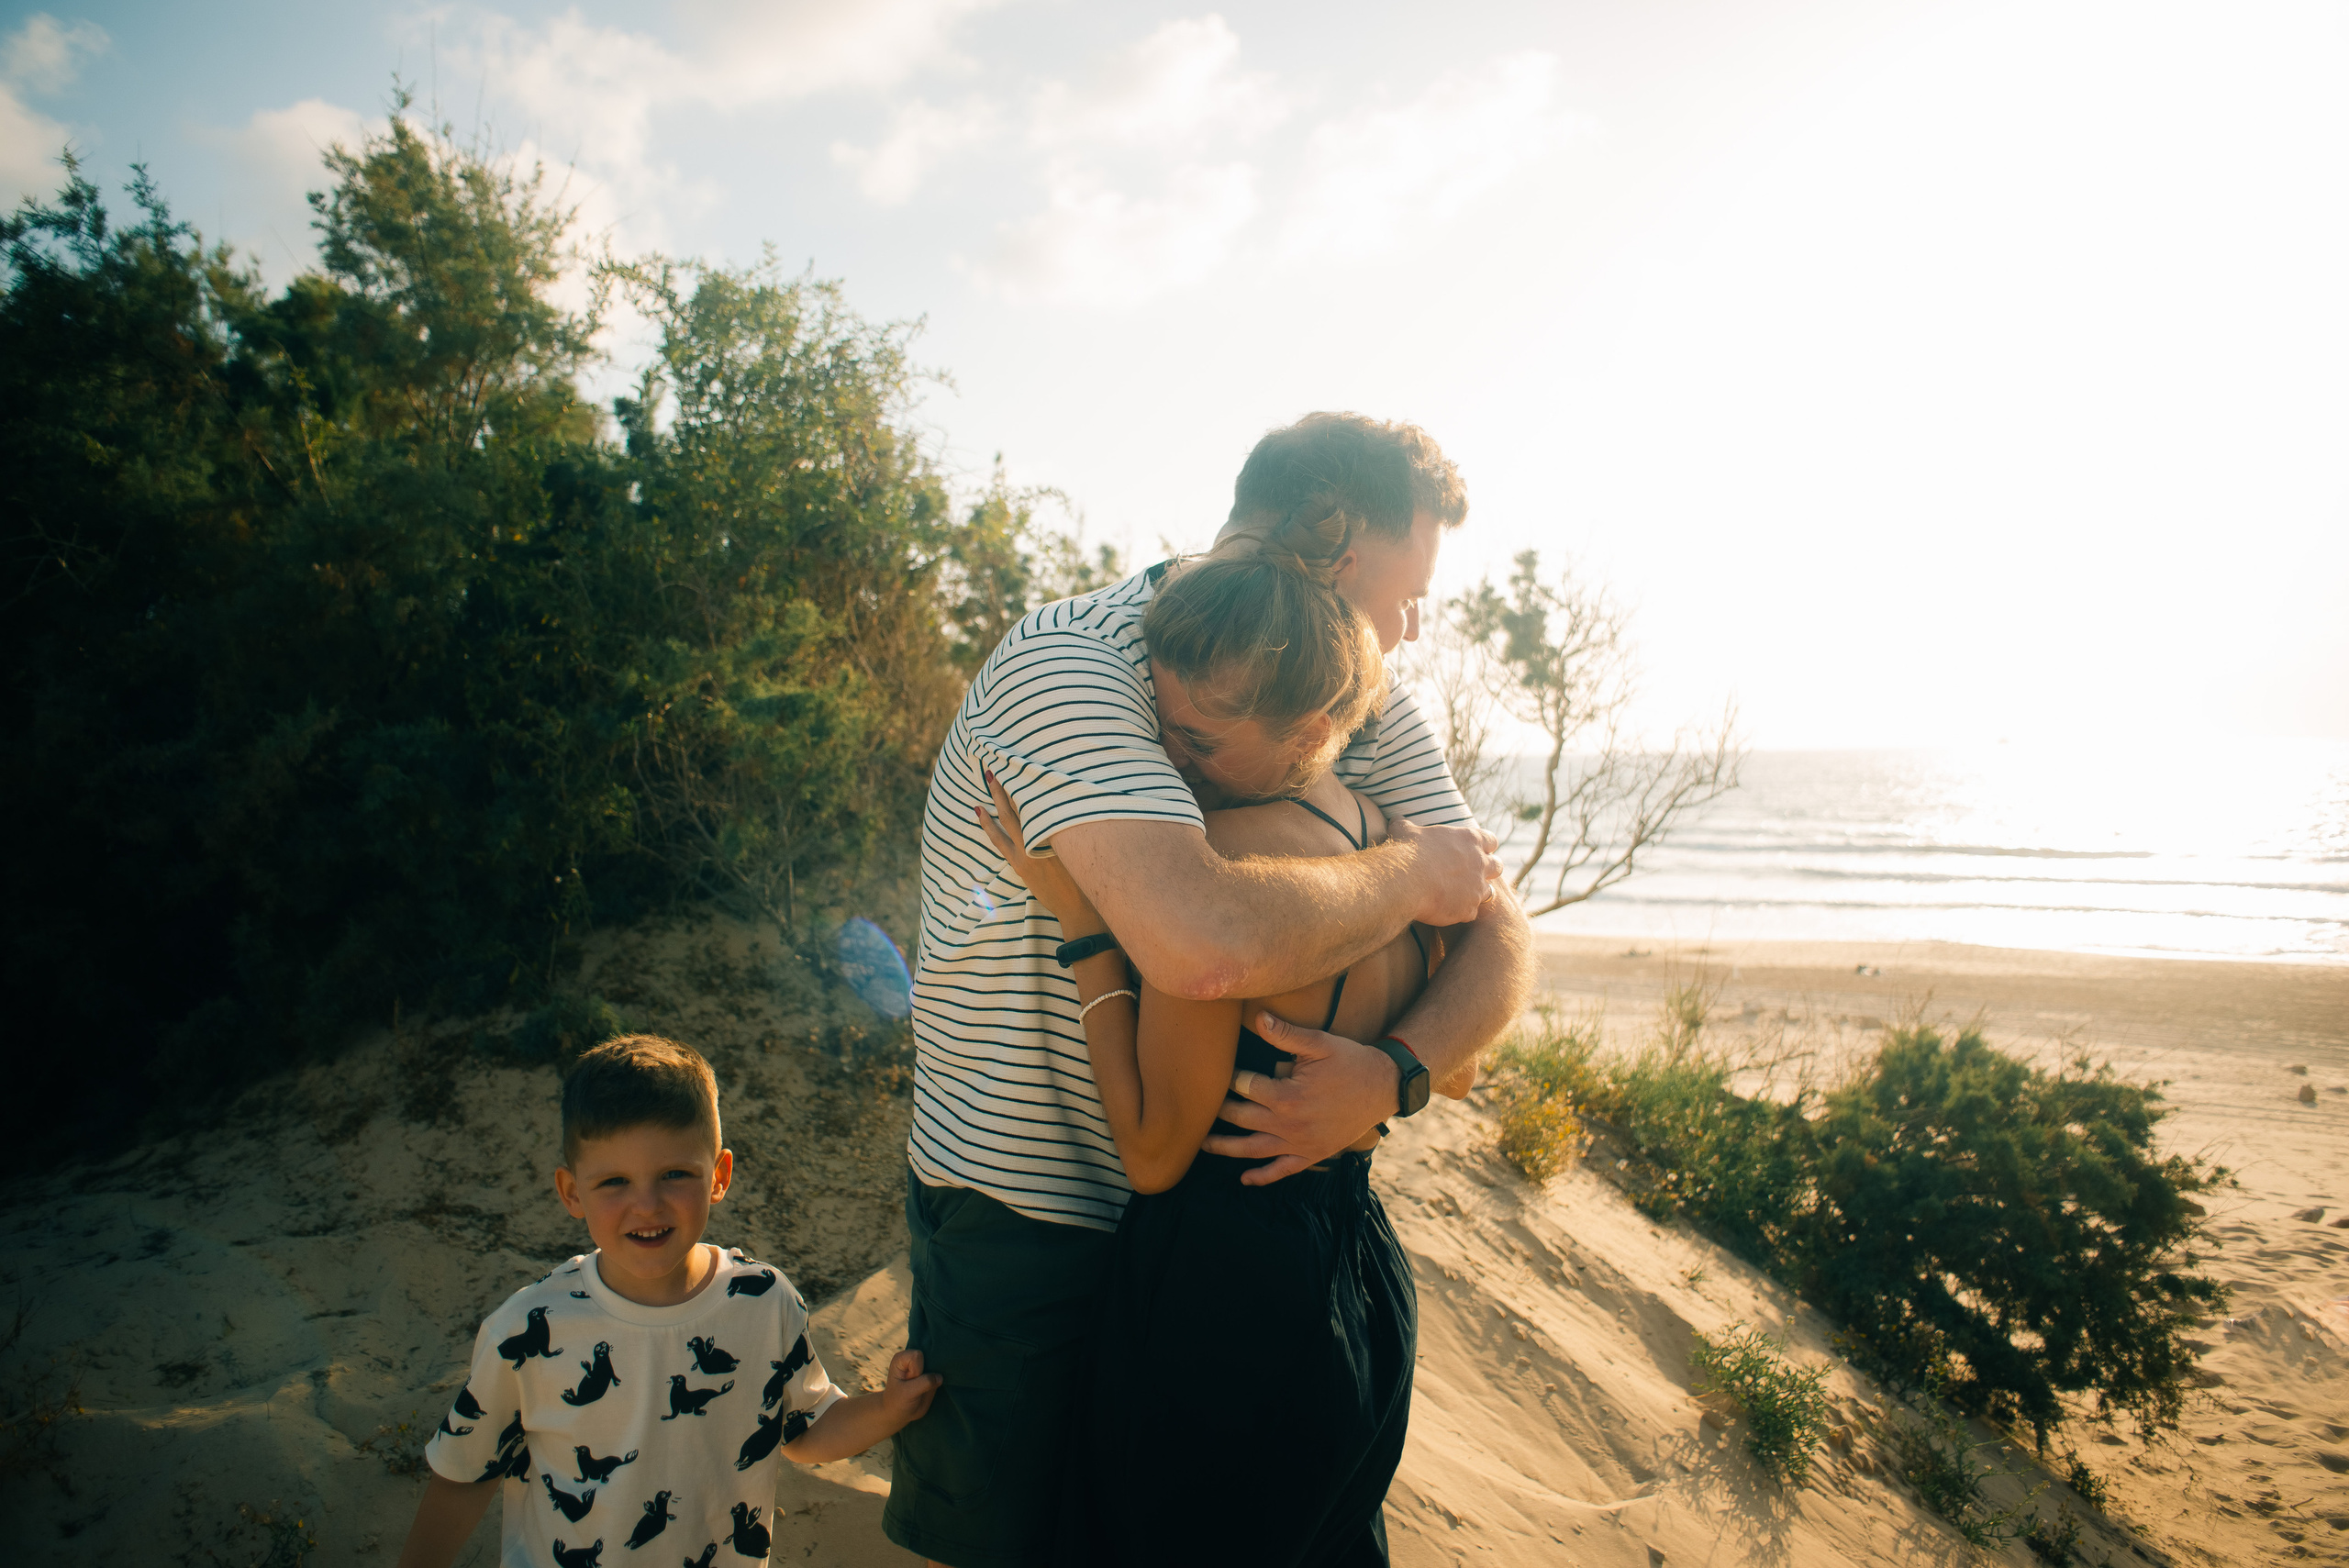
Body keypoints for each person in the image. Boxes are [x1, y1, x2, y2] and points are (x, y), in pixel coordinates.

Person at [885, 413, 1534, 1568]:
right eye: (1409, 589)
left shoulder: (1344, 693)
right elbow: (1205, 944)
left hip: (1216, 1241)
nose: (1416, 624)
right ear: (1334, 552)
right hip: (1036, 1213)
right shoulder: (1073, 665)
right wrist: (1405, 875)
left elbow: (1499, 934)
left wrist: (1398, 1071)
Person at [978, 542, 1427, 1565]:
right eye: (1160, 723)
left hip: (1224, 1297)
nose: (1170, 759)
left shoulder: (1226, 868)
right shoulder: (1397, 846)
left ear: (1308, 731)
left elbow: (1149, 1151)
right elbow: (1461, 1058)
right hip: (1362, 1276)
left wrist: (1088, 927)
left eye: (1199, 737)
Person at [395, 1035, 943, 1568]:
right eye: (614, 1182)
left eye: (674, 1174)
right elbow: (463, 1476)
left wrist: (888, 1407)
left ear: (719, 1177)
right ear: (571, 1193)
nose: (647, 1205)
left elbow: (806, 1431)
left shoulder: (763, 1301)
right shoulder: (525, 1331)